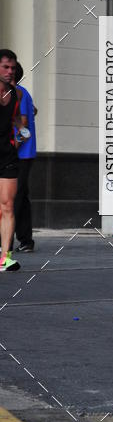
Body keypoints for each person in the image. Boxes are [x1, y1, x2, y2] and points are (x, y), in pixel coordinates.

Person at [0, 49, 24, 272]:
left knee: (7, 205)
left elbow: (16, 117)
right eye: (5, 67)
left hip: (7, 155)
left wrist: (21, 132)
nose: (10, 72)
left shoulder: (16, 94)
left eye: (12, 68)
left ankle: (5, 257)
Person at [12, 62, 37, 252]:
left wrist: (11, 148)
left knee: (15, 198)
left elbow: (24, 128)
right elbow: (33, 111)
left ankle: (13, 242)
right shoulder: (19, 93)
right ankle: (26, 240)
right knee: (20, 197)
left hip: (20, 155)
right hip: (18, 154)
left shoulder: (18, 93)